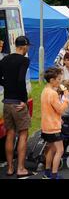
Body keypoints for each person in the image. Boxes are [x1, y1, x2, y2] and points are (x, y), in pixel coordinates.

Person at [0, 36, 35, 178]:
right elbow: (21, 80)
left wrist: (7, 86)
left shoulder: (4, 60)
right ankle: (20, 168)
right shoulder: (24, 60)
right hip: (18, 103)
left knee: (10, 133)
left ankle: (9, 168)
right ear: (24, 46)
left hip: (7, 101)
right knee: (23, 134)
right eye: (28, 46)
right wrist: (24, 100)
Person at [40, 67, 69, 179]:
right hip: (53, 127)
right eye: (58, 79)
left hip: (46, 126)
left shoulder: (45, 91)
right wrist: (66, 98)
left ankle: (47, 173)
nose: (60, 81)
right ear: (52, 80)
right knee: (60, 150)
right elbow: (61, 109)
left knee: (51, 149)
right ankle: (54, 174)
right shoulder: (53, 93)